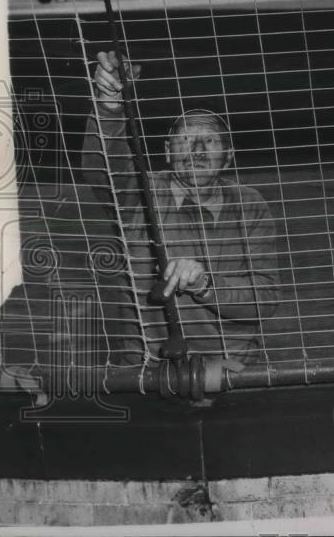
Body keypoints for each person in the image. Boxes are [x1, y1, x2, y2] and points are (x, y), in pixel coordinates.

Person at [82, 50, 280, 363]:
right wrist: (108, 103)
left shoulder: (251, 205)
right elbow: (100, 167)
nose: (198, 149)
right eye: (186, 137)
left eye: (211, 141)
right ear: (167, 151)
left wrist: (205, 285)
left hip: (232, 367)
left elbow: (265, 299)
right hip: (147, 369)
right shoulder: (139, 192)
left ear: (229, 156)